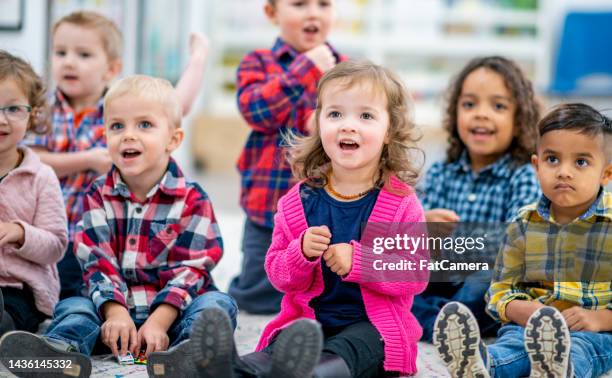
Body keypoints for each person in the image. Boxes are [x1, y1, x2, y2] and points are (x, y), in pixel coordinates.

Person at [193, 60, 429, 378]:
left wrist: (360, 261)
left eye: (366, 116)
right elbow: (278, 273)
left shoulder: (401, 202)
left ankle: (309, 374)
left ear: (389, 132)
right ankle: (232, 369)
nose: (348, 125)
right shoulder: (297, 202)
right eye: (335, 114)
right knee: (282, 345)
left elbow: (415, 274)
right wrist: (300, 253)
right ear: (318, 124)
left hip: (374, 327)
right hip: (309, 322)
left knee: (355, 346)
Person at [0, 76, 237, 378]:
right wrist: (115, 311)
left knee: (218, 304)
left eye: (144, 125)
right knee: (73, 307)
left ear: (173, 140)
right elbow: (97, 261)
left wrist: (160, 321)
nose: (128, 136)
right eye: (117, 126)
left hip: (173, 312)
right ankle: (61, 357)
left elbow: (193, 268)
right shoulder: (98, 194)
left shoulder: (193, 198)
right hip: (108, 312)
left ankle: (190, 353)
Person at [24, 10, 209, 299]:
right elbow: (31, 158)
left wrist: (197, 61)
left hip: (103, 236)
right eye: (60, 52)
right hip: (49, 232)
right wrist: (87, 159)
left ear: (111, 69)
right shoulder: (45, 109)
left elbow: (176, 106)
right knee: (41, 289)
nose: (69, 62)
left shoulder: (120, 110)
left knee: (86, 292)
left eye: (84, 55)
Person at [433, 103, 612, 378]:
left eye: (581, 162)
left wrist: (600, 318)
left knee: (582, 349)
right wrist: (518, 308)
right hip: (529, 325)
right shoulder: (523, 223)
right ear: (537, 166)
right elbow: (500, 288)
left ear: (606, 173)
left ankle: (562, 370)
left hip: (592, 331)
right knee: (513, 345)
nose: (564, 171)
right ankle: (482, 365)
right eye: (553, 159)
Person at [229, 0, 346, 314]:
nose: (313, 13)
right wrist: (307, 68)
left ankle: (309, 307)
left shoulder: (345, 69)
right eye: (299, 4)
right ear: (272, 13)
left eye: (324, 4)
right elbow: (255, 111)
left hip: (325, 207)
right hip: (267, 203)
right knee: (257, 292)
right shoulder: (258, 62)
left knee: (328, 283)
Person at [415, 56, 542, 341]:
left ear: (519, 118)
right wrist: (424, 223)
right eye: (469, 104)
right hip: (442, 273)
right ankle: (447, 320)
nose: (481, 114)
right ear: (454, 112)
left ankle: (439, 320)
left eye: (498, 106)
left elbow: (516, 242)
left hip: (487, 280)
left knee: (481, 285)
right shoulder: (440, 171)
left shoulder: (522, 174)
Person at [0, 51, 67, 336]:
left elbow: (56, 245)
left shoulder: (41, 176)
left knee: (9, 317)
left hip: (21, 290)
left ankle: (11, 341)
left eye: (13, 109)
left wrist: (19, 232)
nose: (2, 120)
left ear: (32, 114)